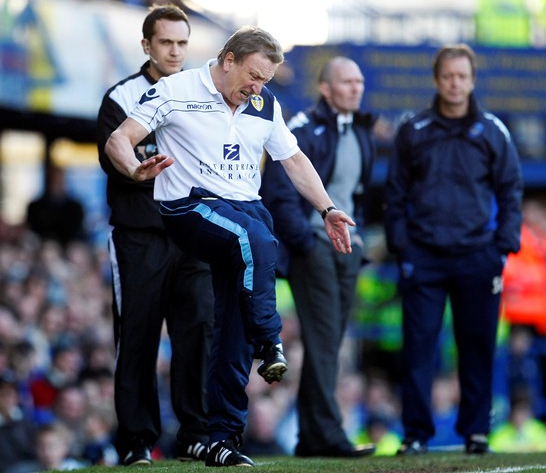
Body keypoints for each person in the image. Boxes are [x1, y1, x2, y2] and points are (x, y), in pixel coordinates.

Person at [104, 25, 356, 468]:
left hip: (246, 209)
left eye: (266, 81)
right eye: (254, 76)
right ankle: (270, 340)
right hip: (190, 207)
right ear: (228, 60)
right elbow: (118, 139)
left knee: (232, 327)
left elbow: (293, 160)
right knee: (256, 239)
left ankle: (222, 438)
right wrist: (134, 170)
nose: (257, 88)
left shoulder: (264, 103)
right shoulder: (176, 90)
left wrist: (327, 208)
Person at [383, 43, 523, 455]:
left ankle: (476, 432)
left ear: (472, 80)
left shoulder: (494, 130)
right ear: (436, 79)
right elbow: (395, 193)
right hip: (422, 257)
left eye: (462, 76)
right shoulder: (414, 129)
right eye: (448, 76)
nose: (455, 84)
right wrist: (403, 247)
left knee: (478, 346)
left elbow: (511, 190)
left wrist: (503, 247)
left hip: (478, 256)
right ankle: (416, 434)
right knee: (418, 348)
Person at [96, 4, 213, 466]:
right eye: (166, 42)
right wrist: (137, 172)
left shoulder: (203, 93)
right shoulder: (121, 98)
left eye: (182, 42)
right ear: (146, 45)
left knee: (199, 330)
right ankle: (136, 441)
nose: (175, 51)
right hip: (139, 236)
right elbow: (113, 153)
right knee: (138, 337)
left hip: (194, 234)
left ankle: (196, 435)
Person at [260, 56, 376, 458]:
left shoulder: (360, 130)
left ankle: (312, 437)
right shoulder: (303, 129)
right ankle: (329, 434)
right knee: (326, 342)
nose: (355, 88)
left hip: (347, 250)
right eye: (346, 81)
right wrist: (307, 243)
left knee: (329, 343)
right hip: (315, 245)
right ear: (325, 88)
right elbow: (279, 191)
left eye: (359, 81)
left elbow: (355, 192)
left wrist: (357, 239)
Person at [26, 164, 85, 248]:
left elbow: (77, 231)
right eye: (55, 181)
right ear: (49, 183)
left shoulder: (75, 207)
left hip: (68, 247)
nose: (58, 185)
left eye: (60, 181)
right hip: (41, 247)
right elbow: (32, 230)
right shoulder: (35, 206)